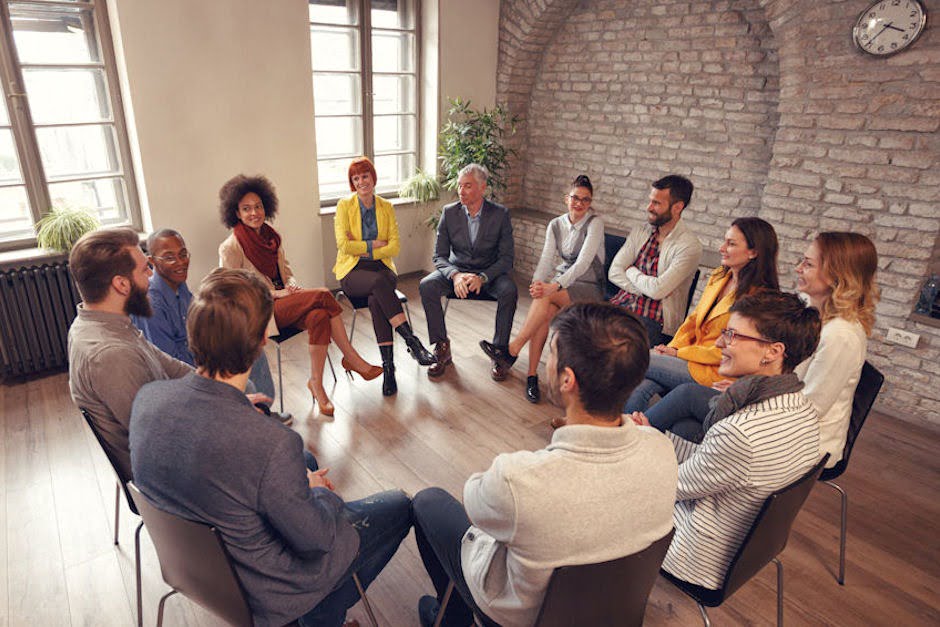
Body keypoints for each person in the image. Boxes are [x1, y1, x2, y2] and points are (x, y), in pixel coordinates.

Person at [129, 268, 412, 627]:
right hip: (270, 590)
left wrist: (235, 408)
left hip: (200, 574)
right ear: (264, 338)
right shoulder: (271, 443)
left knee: (302, 466)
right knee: (401, 505)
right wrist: (319, 492)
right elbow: (317, 539)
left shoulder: (147, 400)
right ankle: (322, 615)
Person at [412, 303, 678, 627]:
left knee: (428, 502)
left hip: (521, 617)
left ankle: (451, 619)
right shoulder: (663, 450)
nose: (544, 363)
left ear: (568, 379)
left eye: (550, 353)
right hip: (614, 611)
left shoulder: (517, 479)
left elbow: (475, 503)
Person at [633, 290, 821, 591]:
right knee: (679, 424)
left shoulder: (740, 433)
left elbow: (667, 490)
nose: (720, 343)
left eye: (732, 335)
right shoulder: (802, 406)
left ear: (772, 352)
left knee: (603, 487)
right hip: (743, 536)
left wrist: (643, 443)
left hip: (697, 553)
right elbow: (721, 465)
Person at [645, 233, 879, 466]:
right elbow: (778, 370)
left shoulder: (842, 335)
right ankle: (649, 466)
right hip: (772, 412)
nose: (798, 268)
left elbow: (809, 410)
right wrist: (747, 387)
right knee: (683, 427)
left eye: (808, 264)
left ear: (837, 275)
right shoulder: (808, 310)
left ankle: (628, 445)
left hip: (800, 440)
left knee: (686, 394)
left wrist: (749, 393)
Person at [219, 174, 381, 416]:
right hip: (261, 312)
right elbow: (234, 292)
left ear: (266, 207)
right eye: (246, 209)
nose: (254, 213)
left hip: (285, 302)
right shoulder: (230, 247)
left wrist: (291, 285)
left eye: (258, 207)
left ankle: (316, 383)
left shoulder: (271, 237)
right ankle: (352, 358)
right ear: (237, 213)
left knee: (319, 316)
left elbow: (287, 271)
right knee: (325, 294)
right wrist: (278, 292)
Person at [66, 228, 196, 479]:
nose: (151, 276)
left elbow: (174, 368)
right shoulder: (111, 355)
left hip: (169, 442)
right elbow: (162, 443)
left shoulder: (105, 324)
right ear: (122, 284)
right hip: (167, 481)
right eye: (145, 270)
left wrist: (222, 394)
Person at [622, 217, 779, 413]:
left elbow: (729, 349)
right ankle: (625, 438)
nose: (722, 248)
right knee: (640, 386)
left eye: (731, 244)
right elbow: (693, 320)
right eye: (724, 241)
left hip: (714, 369)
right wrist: (671, 348)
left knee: (635, 358)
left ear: (754, 252)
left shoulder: (761, 299)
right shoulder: (719, 276)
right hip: (688, 357)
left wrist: (679, 354)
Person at [132, 228, 286, 421]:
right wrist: (211, 371)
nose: (180, 262)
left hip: (201, 357)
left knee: (251, 345)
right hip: (185, 375)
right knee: (247, 384)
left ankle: (263, 413)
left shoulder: (179, 286)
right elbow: (168, 364)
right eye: (169, 257)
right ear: (152, 262)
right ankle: (256, 418)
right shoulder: (152, 304)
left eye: (183, 254)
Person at [480, 174, 605, 403]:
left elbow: (582, 264)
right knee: (544, 310)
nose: (579, 204)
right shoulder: (555, 225)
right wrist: (537, 284)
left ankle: (512, 350)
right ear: (566, 198)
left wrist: (553, 286)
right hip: (562, 286)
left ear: (590, 203)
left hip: (589, 288)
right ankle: (531, 376)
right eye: (575, 198)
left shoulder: (594, 224)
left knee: (546, 297)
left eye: (585, 200)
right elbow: (546, 259)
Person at [333, 157, 436, 397]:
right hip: (352, 271)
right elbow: (343, 245)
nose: (361, 182)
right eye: (355, 178)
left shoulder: (386, 207)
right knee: (378, 288)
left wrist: (362, 244)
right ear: (352, 183)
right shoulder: (344, 206)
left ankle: (389, 369)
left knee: (376, 298)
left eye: (364, 176)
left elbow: (394, 248)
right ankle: (412, 342)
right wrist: (374, 244)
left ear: (373, 177)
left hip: (382, 269)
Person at [419, 164, 517, 380]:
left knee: (509, 291)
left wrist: (483, 277)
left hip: (489, 274)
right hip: (458, 272)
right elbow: (439, 256)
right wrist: (455, 275)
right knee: (427, 285)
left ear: (483, 188)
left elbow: (507, 259)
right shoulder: (449, 212)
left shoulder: (500, 215)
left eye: (468, 186)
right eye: (460, 186)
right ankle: (442, 347)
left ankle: (499, 352)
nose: (461, 191)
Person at [608, 174, 703, 346]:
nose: (649, 207)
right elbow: (614, 271)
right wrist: (642, 289)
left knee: (613, 346)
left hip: (654, 321)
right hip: (621, 304)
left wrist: (630, 270)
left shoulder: (689, 246)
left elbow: (658, 291)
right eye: (650, 201)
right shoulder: (641, 231)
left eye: (657, 203)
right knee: (580, 326)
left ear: (678, 207)